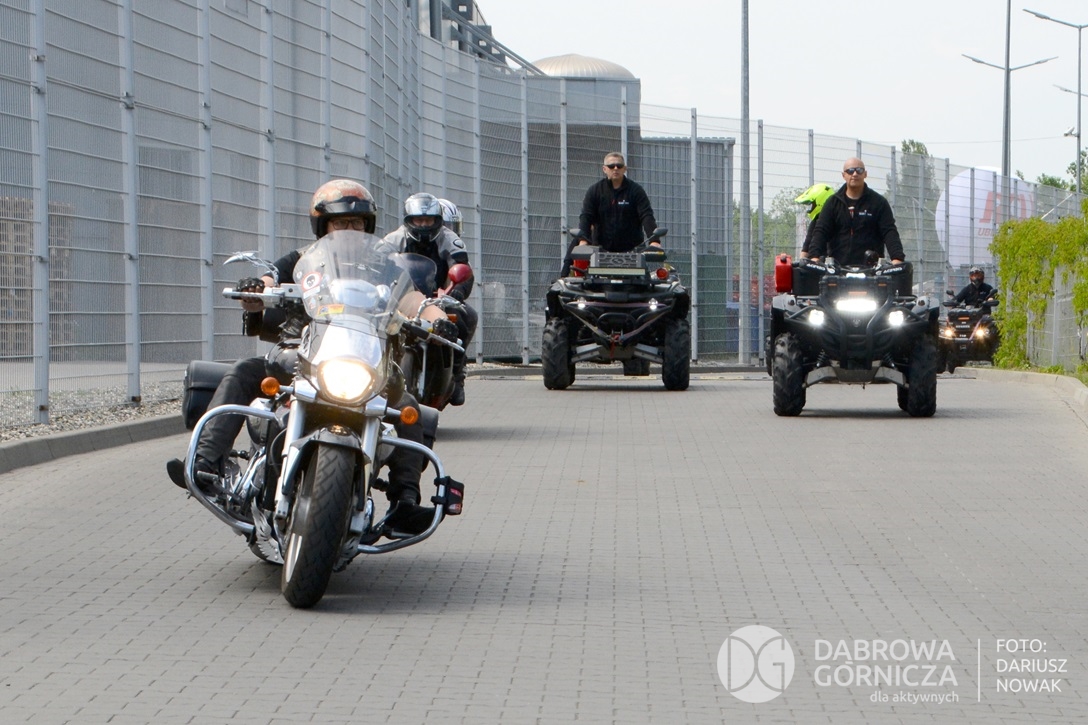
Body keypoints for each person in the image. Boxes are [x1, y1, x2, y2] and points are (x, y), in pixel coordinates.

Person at [167, 179, 447, 535]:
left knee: (406, 405)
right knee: (244, 371)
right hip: (301, 355)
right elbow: (270, 280)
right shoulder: (304, 259)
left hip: (367, 360)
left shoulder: (384, 266)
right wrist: (256, 291)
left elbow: (414, 300)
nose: (349, 229)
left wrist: (439, 319)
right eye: (340, 222)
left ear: (368, 226)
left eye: (357, 223)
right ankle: (205, 465)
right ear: (323, 226)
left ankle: (405, 501)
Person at [381, 193, 477, 406]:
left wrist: (457, 292)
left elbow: (463, 269)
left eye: (429, 220)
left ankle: (457, 375)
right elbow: (376, 264)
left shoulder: (450, 240)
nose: (424, 225)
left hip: (439, 298)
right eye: (419, 220)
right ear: (409, 220)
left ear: (438, 220)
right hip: (402, 298)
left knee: (466, 317)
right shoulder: (393, 240)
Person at [562, 152, 659, 275]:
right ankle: (563, 277)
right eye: (611, 166)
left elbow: (646, 215)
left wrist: (654, 241)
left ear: (625, 169)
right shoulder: (595, 191)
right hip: (600, 248)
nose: (615, 168)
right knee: (577, 243)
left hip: (632, 250)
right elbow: (586, 216)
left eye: (619, 165)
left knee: (658, 273)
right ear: (604, 169)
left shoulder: (636, 191)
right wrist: (583, 241)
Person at [807, 158, 904, 266]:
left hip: (872, 270)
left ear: (865, 174)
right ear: (843, 175)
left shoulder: (879, 202)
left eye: (859, 170)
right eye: (850, 171)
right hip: (837, 269)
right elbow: (821, 231)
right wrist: (814, 257)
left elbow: (889, 232)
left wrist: (897, 259)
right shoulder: (832, 203)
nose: (855, 174)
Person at [794, 183, 835, 259]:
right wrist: (801, 261)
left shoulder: (838, 219)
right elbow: (807, 245)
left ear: (820, 202)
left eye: (812, 204)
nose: (811, 208)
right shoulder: (816, 220)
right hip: (818, 262)